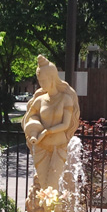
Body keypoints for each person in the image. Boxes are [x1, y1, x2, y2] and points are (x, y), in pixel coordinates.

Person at [22, 55, 80, 190]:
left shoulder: (66, 99)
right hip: (41, 148)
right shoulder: (39, 100)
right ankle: (46, 211)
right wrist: (33, 132)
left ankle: (55, 211)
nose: (41, 84)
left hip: (59, 147)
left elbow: (66, 125)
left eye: (43, 80)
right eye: (39, 81)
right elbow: (27, 119)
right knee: (44, 189)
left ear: (52, 78)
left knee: (52, 187)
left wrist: (46, 132)